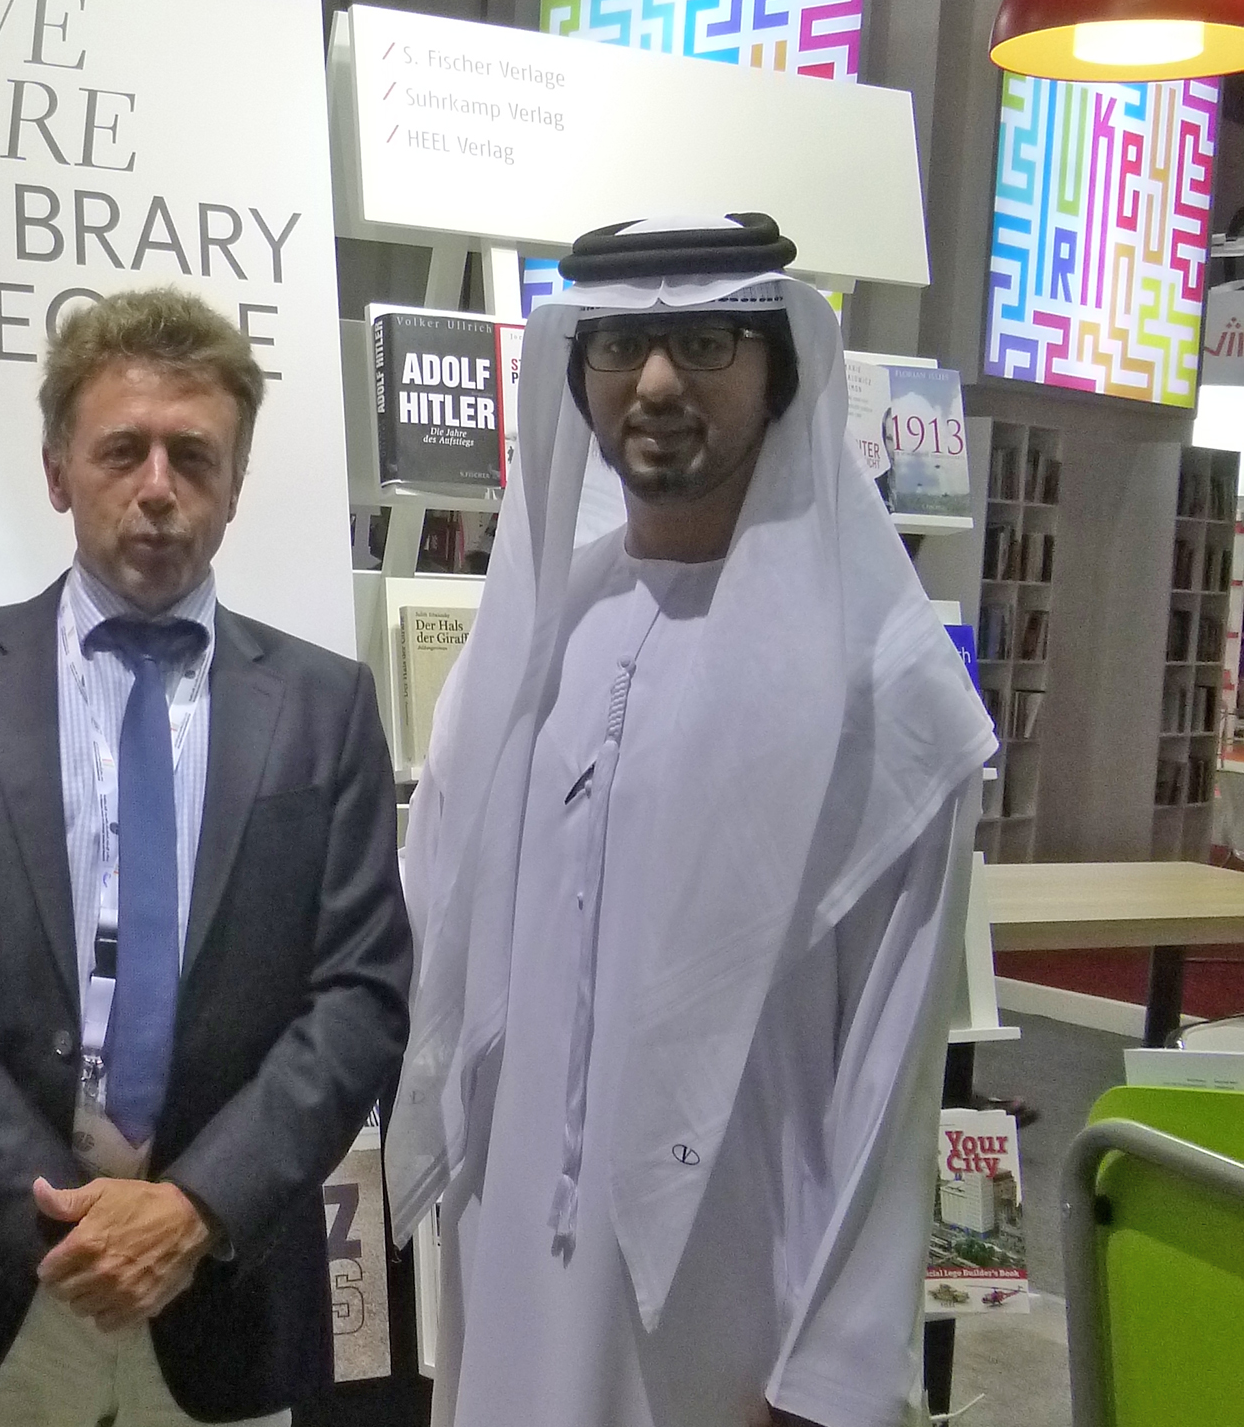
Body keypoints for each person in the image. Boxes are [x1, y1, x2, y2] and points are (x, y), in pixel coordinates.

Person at [384, 215, 997, 1427]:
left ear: (780, 371)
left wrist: (830, 1376)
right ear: (578, 373)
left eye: (709, 344)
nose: (657, 384)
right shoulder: (539, 640)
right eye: (620, 346)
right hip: (512, 1257)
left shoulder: (883, 684)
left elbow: (891, 1069)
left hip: (731, 1293)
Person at [0, 287, 412, 1427]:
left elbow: (360, 995)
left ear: (236, 482)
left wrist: (193, 1210)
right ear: (57, 471)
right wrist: (57, 1221)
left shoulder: (324, 708)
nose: (158, 488)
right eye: (122, 451)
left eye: (195, 456)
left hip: (218, 1297)